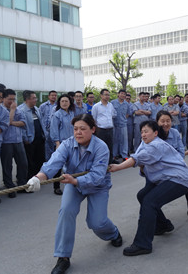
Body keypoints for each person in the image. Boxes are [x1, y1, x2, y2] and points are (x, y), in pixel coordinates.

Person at [26, 114, 122, 273]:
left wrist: (76, 181)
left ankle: (114, 233)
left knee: (97, 223)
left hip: (97, 186)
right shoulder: (67, 144)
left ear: (93, 129)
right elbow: (53, 163)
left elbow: (98, 176)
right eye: (75, 129)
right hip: (73, 183)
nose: (78, 132)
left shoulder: (101, 147)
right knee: (66, 212)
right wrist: (37, 178)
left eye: (83, 129)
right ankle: (63, 257)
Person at [109, 120, 188, 256]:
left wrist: (117, 167)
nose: (143, 134)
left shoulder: (156, 145)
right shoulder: (145, 144)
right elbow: (140, 162)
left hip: (177, 179)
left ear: (155, 133)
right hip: (164, 178)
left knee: (149, 202)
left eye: (146, 131)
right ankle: (163, 225)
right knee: (142, 195)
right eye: (141, 132)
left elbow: (136, 159)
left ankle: (143, 244)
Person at [156, 111, 188, 220]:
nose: (165, 124)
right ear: (157, 122)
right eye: (162, 121)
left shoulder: (174, 133)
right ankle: (159, 220)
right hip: (159, 169)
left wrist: (175, 164)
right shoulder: (154, 135)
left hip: (175, 166)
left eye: (168, 121)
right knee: (149, 193)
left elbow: (181, 151)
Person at [0, 89, 28, 199]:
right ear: (4, 99)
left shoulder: (18, 110)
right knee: (7, 165)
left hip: (18, 140)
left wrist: (12, 122)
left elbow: (23, 122)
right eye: (9, 99)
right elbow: (6, 123)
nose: (12, 102)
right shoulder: (1, 109)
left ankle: (21, 184)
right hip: (6, 141)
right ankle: (9, 186)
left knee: (23, 163)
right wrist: (12, 111)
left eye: (14, 99)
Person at [50, 94, 75, 195]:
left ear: (70, 103)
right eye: (62, 101)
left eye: (66, 101)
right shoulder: (57, 115)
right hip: (60, 143)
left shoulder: (72, 113)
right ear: (59, 103)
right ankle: (56, 187)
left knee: (71, 164)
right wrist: (57, 143)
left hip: (72, 142)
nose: (64, 103)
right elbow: (54, 130)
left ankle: (70, 184)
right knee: (58, 165)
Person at [18, 90, 46, 179]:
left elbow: (42, 123)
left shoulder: (36, 109)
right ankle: (29, 179)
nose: (36, 100)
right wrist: (25, 138)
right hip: (29, 141)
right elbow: (21, 127)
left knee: (40, 160)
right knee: (30, 161)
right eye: (33, 98)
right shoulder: (21, 110)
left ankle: (37, 178)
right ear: (27, 99)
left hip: (39, 139)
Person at [92, 89, 116, 164]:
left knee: (110, 146)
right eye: (105, 94)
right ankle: (101, 162)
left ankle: (110, 161)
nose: (107, 96)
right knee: (101, 147)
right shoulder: (96, 106)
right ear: (101, 96)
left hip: (110, 129)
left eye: (108, 95)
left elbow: (113, 115)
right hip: (101, 130)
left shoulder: (110, 105)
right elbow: (94, 118)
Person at [39, 90, 58, 161]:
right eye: (52, 95)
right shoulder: (43, 106)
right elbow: (40, 118)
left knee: (55, 147)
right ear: (49, 96)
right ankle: (48, 163)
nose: (54, 97)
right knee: (47, 149)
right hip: (46, 130)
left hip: (55, 130)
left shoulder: (58, 106)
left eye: (55, 95)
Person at [111, 89, 129, 162]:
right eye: (121, 93)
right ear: (118, 94)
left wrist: (123, 119)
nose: (123, 95)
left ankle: (124, 155)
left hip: (123, 124)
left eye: (124, 94)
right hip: (115, 124)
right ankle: (114, 155)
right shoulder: (112, 103)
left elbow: (127, 114)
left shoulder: (126, 104)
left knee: (124, 140)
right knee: (115, 140)